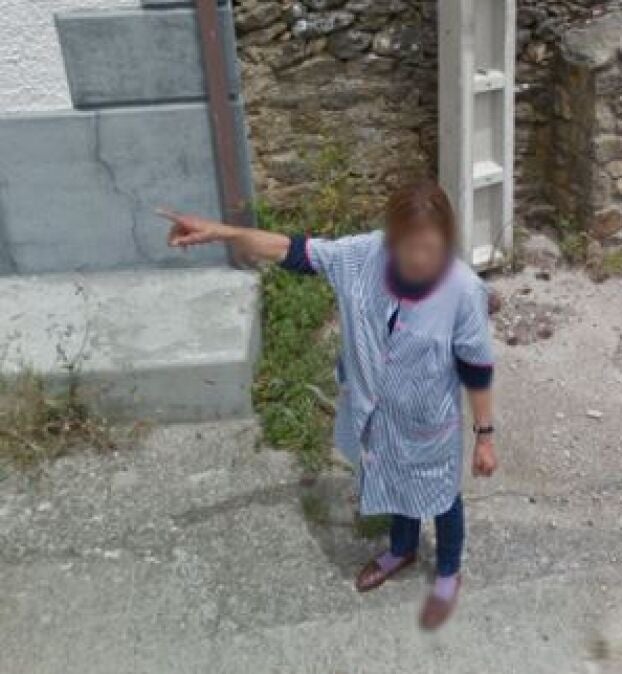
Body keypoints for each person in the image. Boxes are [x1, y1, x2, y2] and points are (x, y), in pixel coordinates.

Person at [158, 180, 496, 630]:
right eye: (408, 246)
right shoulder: (364, 256)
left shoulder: (464, 291)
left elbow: (476, 367)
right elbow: (292, 250)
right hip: (377, 417)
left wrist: (485, 436)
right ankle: (402, 549)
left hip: (429, 424)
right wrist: (223, 233)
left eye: (430, 248)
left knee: (441, 495)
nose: (419, 259)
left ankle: (449, 569)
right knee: (393, 479)